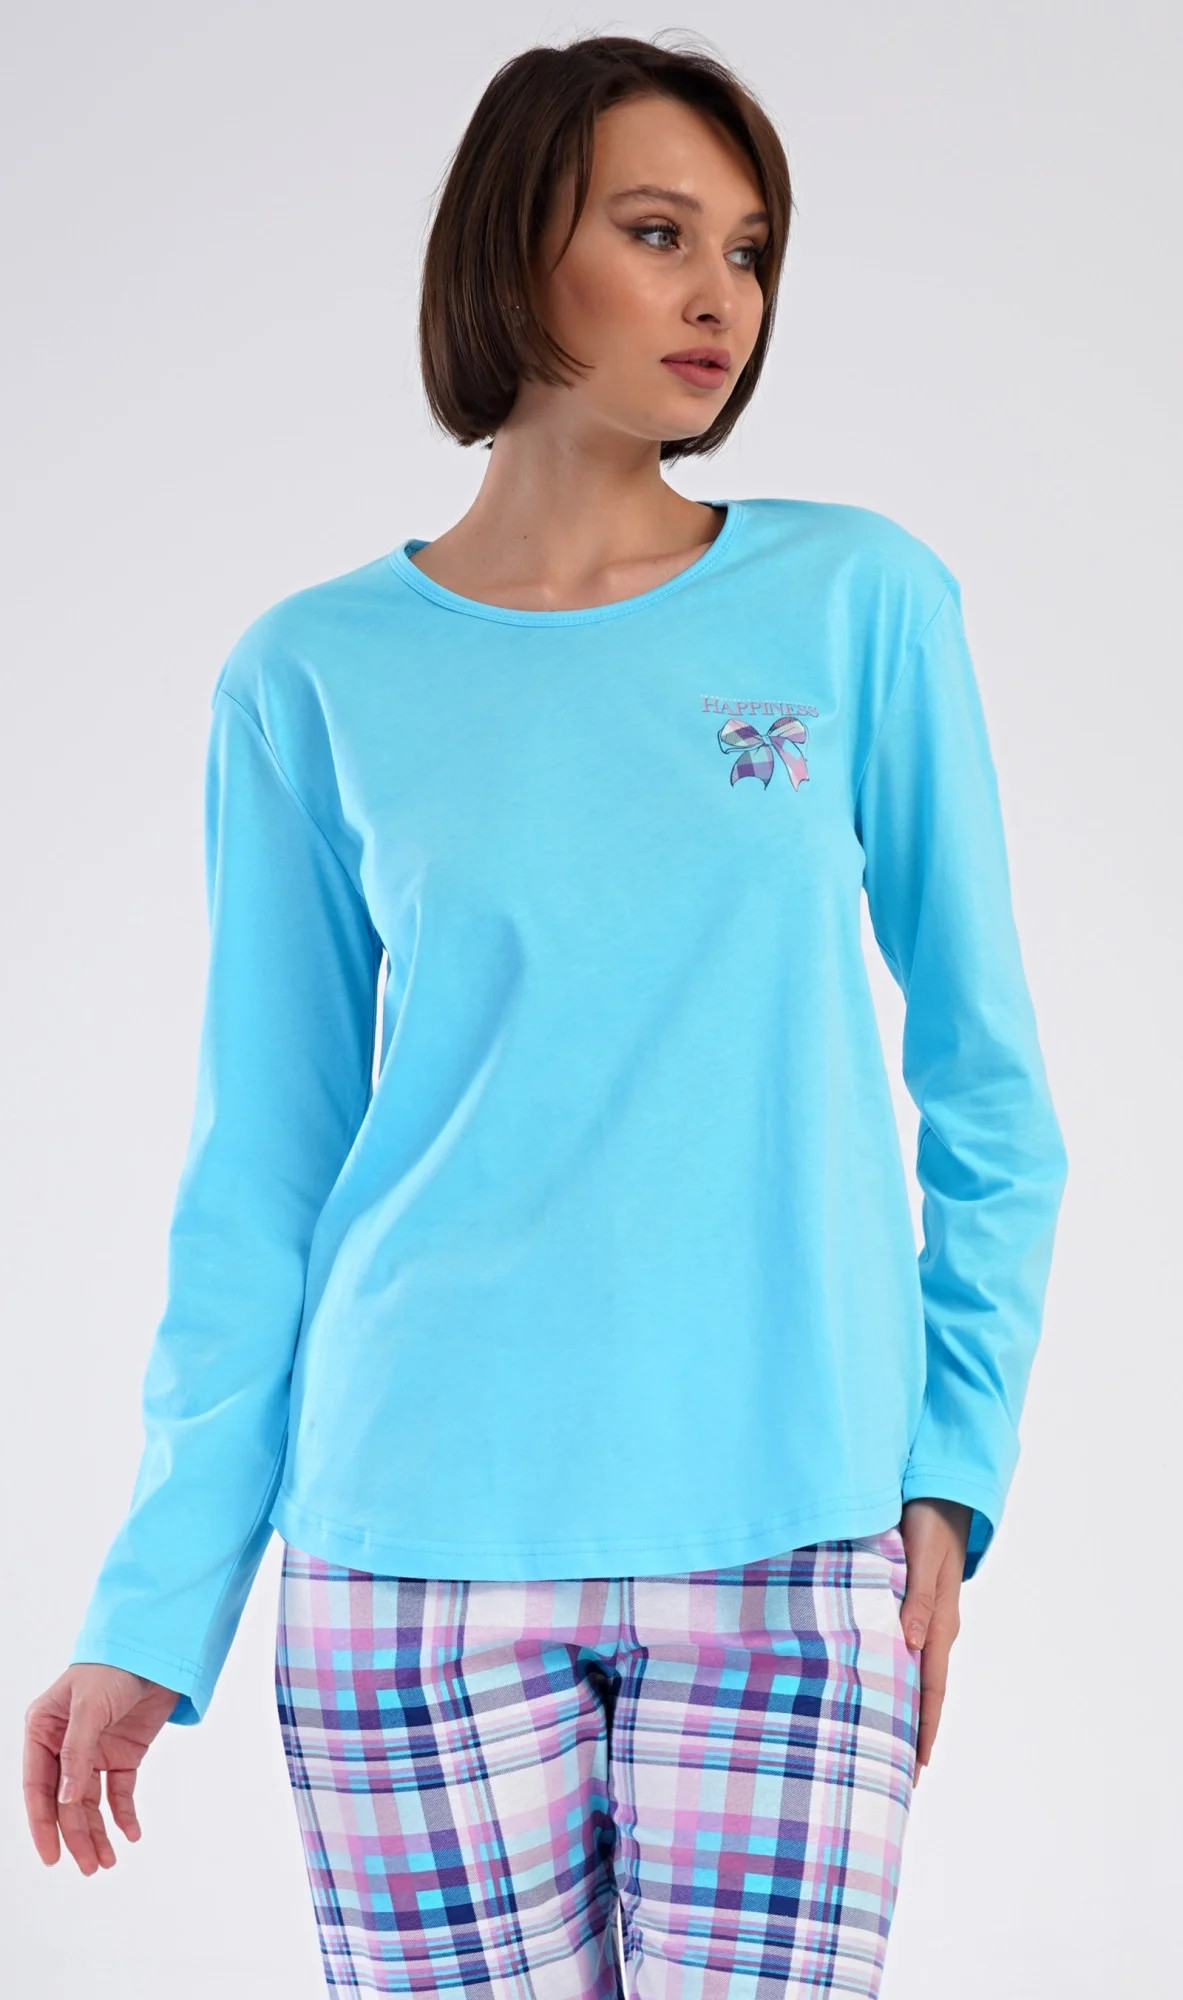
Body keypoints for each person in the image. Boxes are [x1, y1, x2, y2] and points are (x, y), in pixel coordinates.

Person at [23, 32, 1069, 1998]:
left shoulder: (858, 602)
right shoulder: (308, 675)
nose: (717, 294)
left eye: (746, 249)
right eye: (658, 233)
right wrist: (155, 1605)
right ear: (515, 248)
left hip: (793, 1544)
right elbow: (262, 1172)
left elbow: (993, 1090)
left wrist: (951, 1468)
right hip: (404, 1550)